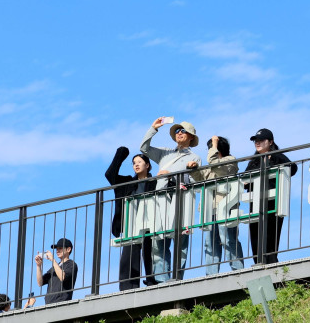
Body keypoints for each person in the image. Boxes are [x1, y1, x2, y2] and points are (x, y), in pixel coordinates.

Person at [140, 118, 204, 282]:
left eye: (183, 131)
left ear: (191, 137)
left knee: (181, 239)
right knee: (159, 240)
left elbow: (196, 180)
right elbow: (144, 148)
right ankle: (162, 279)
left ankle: (177, 277)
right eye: (177, 131)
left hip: (181, 198)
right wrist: (153, 128)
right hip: (161, 197)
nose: (179, 133)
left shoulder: (195, 157)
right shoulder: (165, 153)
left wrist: (186, 170)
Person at [105, 147, 157, 289]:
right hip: (131, 224)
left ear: (147, 165)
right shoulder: (127, 182)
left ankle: (152, 282)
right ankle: (128, 287)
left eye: (140, 161)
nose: (136, 164)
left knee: (150, 253)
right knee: (129, 256)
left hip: (150, 223)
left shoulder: (156, 182)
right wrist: (121, 153)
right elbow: (110, 175)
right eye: (134, 162)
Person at [243, 129, 297, 265]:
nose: (257, 143)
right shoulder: (254, 161)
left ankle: (272, 262)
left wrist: (275, 171)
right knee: (255, 235)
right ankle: (258, 263)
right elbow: (244, 180)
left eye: (261, 140)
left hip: (274, 202)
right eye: (256, 141)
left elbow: (293, 168)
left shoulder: (277, 156)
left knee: (272, 234)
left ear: (270, 142)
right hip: (255, 204)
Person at [198, 136, 244, 274]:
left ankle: (238, 271)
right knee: (210, 243)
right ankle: (211, 274)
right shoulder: (211, 164)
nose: (210, 150)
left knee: (228, 239)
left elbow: (215, 164)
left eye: (212, 147)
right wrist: (193, 169)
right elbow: (200, 177)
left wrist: (214, 144)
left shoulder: (230, 161)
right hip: (210, 208)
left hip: (226, 207)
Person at [34, 239, 76, 304]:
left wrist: (53, 260)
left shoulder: (71, 264)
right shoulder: (54, 268)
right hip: (49, 304)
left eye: (60, 248)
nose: (57, 251)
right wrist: (38, 266)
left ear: (68, 249)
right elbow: (40, 282)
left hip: (62, 303)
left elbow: (62, 277)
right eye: (56, 249)